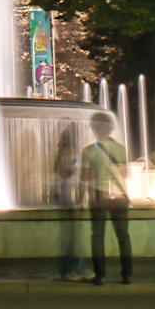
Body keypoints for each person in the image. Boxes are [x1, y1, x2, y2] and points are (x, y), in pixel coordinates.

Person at [80, 111, 131, 286]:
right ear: (110, 128)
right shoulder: (121, 149)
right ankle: (126, 274)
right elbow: (125, 174)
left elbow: (84, 179)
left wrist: (80, 200)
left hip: (99, 195)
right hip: (119, 196)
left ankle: (99, 275)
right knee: (123, 235)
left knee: (97, 236)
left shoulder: (89, 151)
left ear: (94, 128)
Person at [51, 128, 89, 281]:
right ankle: (72, 269)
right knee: (73, 237)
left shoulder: (65, 154)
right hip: (69, 201)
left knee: (72, 237)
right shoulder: (66, 154)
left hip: (67, 201)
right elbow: (64, 173)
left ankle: (74, 268)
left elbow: (58, 174)